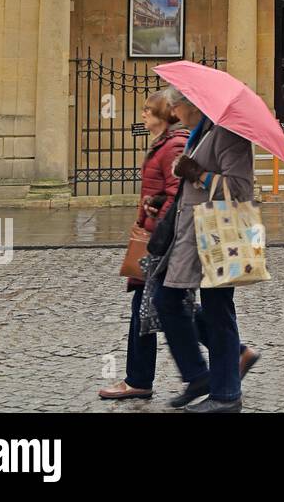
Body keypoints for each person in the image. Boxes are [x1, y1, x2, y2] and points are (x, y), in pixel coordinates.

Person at [153, 87, 259, 413]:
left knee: (218, 311)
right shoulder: (202, 132)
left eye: (175, 107)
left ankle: (226, 395)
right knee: (165, 298)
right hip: (190, 235)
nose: (172, 114)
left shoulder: (229, 135)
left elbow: (240, 190)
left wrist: (197, 174)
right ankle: (200, 376)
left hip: (217, 237)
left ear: (191, 105)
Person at [98, 92, 188, 400]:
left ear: (165, 113)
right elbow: (167, 192)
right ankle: (139, 379)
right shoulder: (163, 144)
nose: (143, 115)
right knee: (156, 306)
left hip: (162, 241)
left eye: (148, 110)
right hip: (153, 236)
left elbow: (178, 197)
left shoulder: (173, 144)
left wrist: (158, 221)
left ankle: (140, 379)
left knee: (159, 306)